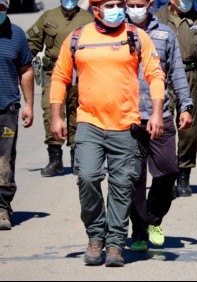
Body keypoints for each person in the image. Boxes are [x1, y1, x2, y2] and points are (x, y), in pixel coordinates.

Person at [50, 0, 165, 267]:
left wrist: (157, 112)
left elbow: (155, 74)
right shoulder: (78, 37)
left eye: (119, 3)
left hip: (126, 125)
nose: (117, 8)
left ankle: (114, 243)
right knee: (88, 178)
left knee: (122, 187)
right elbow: (59, 77)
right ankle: (95, 235)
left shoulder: (136, 36)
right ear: (96, 8)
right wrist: (56, 117)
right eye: (109, 4)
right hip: (89, 123)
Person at [126, 0, 194, 252]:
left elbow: (177, 71)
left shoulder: (165, 34)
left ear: (150, 4)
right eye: (130, 3)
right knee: (134, 178)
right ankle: (139, 231)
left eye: (139, 3)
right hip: (127, 118)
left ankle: (153, 219)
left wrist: (186, 105)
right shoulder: (118, 33)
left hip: (160, 116)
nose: (135, 8)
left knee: (168, 171)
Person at [154, 0, 197, 197]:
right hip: (161, 77)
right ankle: (165, 173)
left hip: (189, 75)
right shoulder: (156, 18)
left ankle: (184, 174)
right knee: (162, 127)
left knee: (188, 129)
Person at [26, 0, 93, 177]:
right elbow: (31, 43)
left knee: (77, 114)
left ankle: (76, 157)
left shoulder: (88, 18)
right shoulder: (48, 17)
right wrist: (19, 62)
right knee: (50, 111)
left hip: (80, 74)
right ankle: (55, 158)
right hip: (53, 73)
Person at [0, 0, 34, 231]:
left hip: (6, 110)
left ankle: (2, 209)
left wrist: (29, 104)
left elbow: (26, 70)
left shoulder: (17, 35)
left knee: (4, 162)